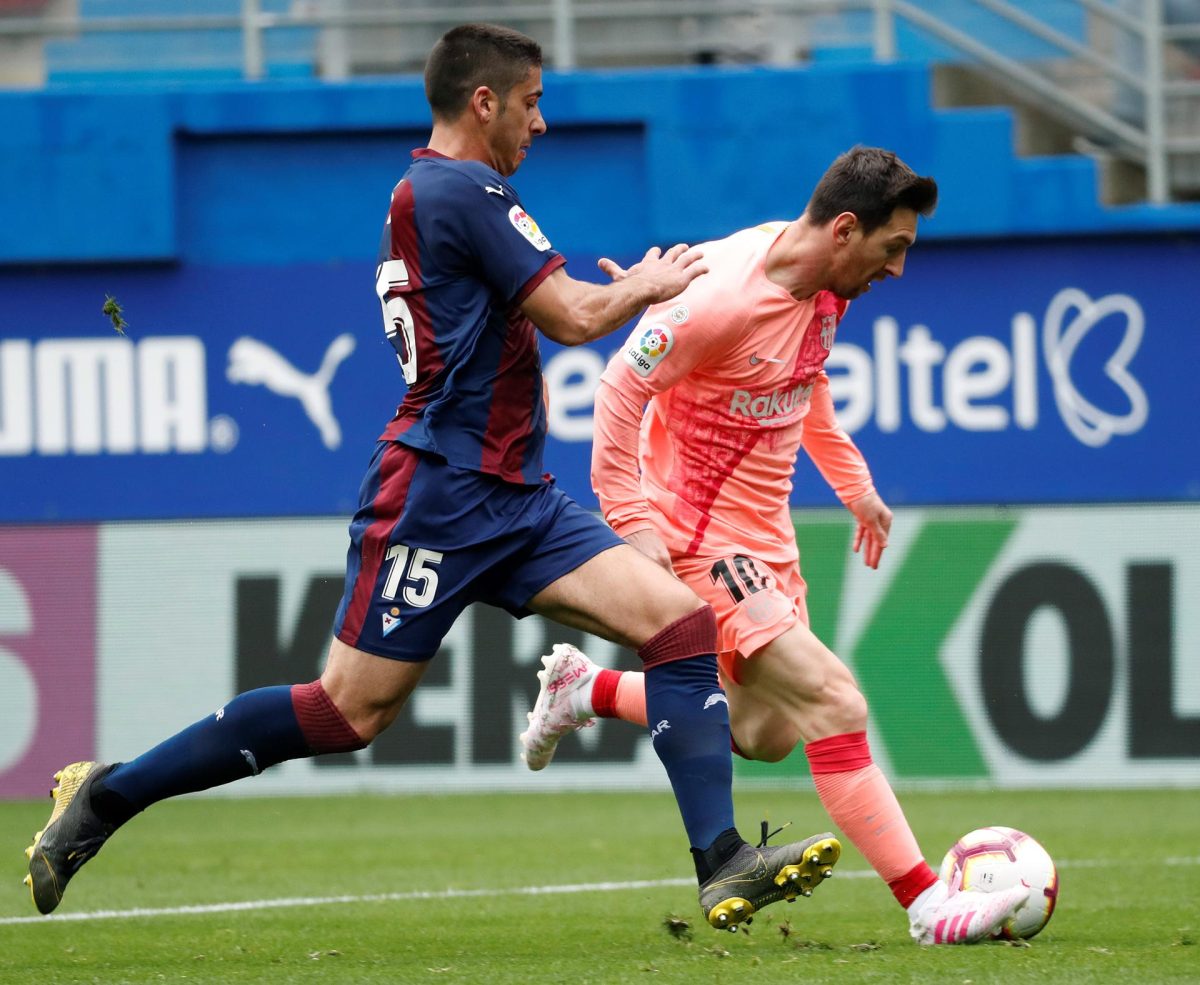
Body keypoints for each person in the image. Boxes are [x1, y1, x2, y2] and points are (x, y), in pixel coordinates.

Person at [23, 22, 839, 933]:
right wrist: (648, 286)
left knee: (681, 623)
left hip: (520, 498)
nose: (541, 123)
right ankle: (106, 798)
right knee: (346, 711)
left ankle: (721, 861)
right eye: (530, 103)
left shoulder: (445, 193)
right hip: (439, 496)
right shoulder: (459, 189)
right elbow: (571, 316)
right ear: (483, 101)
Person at [518, 146, 1030, 946]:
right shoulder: (717, 298)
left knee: (765, 731)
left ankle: (587, 691)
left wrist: (853, 483)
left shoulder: (827, 285)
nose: (897, 270)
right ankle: (928, 904)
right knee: (834, 698)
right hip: (698, 536)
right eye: (893, 249)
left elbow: (809, 378)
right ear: (847, 229)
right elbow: (619, 393)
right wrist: (635, 524)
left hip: (764, 538)